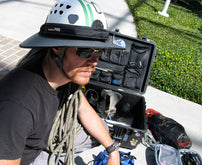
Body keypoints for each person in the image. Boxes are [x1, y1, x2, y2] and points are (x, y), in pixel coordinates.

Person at [0, 0, 121, 164]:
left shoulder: (64, 72)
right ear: (57, 47)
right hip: (24, 159)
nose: (94, 62)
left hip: (38, 135)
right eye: (84, 51)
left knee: (103, 130)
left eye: (98, 52)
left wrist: (113, 152)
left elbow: (82, 107)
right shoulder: (19, 106)